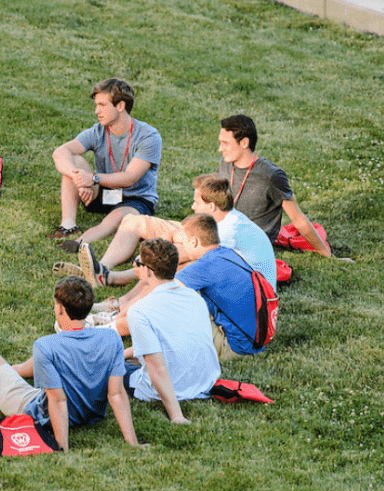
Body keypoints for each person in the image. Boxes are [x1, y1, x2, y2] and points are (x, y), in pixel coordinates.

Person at [0, 277, 142, 451]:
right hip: (91, 414)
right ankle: (7, 372)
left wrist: (61, 446)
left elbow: (58, 401)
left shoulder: (46, 345)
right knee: (36, 363)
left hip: (39, 414)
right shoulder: (110, 339)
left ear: (60, 309)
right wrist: (132, 443)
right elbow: (116, 394)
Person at [65, 174, 276, 289]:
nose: (193, 207)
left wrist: (157, 248)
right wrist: (172, 234)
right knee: (133, 221)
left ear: (211, 206)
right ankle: (101, 267)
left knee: (171, 263)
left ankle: (111, 278)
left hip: (246, 289)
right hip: (200, 238)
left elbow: (174, 256)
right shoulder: (218, 218)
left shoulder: (227, 231)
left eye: (196, 202)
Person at [218, 114, 351, 261]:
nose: (220, 149)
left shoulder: (271, 175)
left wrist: (329, 256)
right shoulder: (226, 164)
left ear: (244, 142)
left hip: (250, 247)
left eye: (225, 143)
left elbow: (298, 218)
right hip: (223, 234)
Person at [50, 78, 162, 246]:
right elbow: (60, 152)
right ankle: (68, 225)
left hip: (135, 198)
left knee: (115, 218)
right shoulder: (98, 131)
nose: (96, 111)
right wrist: (79, 180)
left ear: (120, 106)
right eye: (96, 105)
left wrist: (93, 179)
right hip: (103, 193)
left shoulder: (148, 137)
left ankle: (76, 244)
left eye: (102, 105)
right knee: (74, 161)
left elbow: (130, 178)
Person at [123, 238, 220, 424]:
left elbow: (157, 369)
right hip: (205, 383)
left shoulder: (140, 311)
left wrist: (177, 416)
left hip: (170, 388)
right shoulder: (195, 297)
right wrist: (123, 353)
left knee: (107, 370)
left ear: (147, 271)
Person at [172, 214, 270, 359]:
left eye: (184, 242)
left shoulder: (204, 266)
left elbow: (165, 293)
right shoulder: (227, 253)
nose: (183, 247)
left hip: (235, 347)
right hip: (255, 341)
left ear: (194, 242)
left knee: (175, 305)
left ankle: (149, 351)